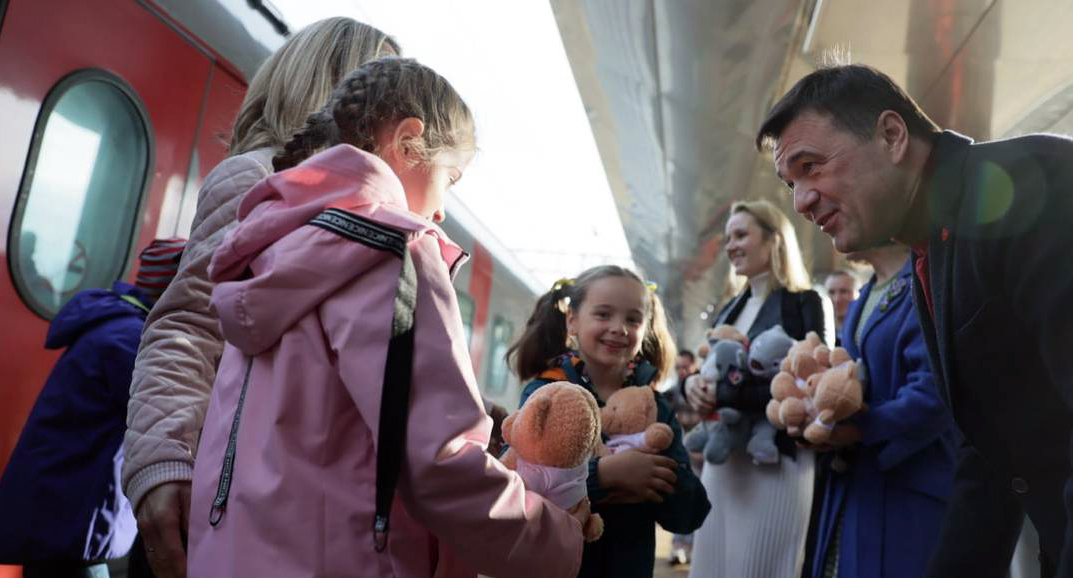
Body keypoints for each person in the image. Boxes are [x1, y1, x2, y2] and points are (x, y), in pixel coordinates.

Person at [186, 57, 585, 577]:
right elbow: (439, 465)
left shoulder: (270, 243)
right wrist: (556, 535)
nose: (441, 211)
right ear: (408, 141)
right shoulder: (394, 256)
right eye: (450, 178)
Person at [756, 62, 1073, 577]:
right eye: (791, 183)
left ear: (891, 135)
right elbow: (986, 451)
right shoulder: (933, 248)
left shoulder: (1036, 182)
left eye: (811, 166)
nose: (801, 201)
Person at [121, 18, 399, 578]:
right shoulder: (257, 178)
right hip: (222, 500)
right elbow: (190, 324)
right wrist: (164, 459)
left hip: (279, 503)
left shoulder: (352, 199)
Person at [508, 266, 710, 578]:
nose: (619, 328)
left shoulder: (656, 406)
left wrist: (657, 480)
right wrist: (604, 476)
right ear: (572, 320)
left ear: (646, 328)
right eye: (603, 314)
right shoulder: (545, 394)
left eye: (633, 319)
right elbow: (523, 488)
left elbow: (690, 515)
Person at [0, 239, 185, 578]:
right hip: (70, 513)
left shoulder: (115, 325)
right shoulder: (130, 341)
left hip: (56, 504)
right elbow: (170, 414)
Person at [685, 199, 832, 578]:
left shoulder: (805, 302)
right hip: (723, 463)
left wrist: (724, 394)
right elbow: (709, 368)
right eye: (728, 237)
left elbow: (809, 383)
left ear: (773, 240)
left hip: (774, 461)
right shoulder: (729, 309)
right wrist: (692, 385)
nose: (731, 246)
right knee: (711, 567)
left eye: (740, 235)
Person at [811, 242, 957, 578]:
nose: (815, 217)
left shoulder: (925, 277)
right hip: (858, 486)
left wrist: (859, 429)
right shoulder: (866, 294)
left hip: (908, 487)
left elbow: (933, 394)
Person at [823, 270, 858, 345]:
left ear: (857, 293)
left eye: (843, 291)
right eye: (831, 292)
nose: (837, 299)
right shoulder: (819, 332)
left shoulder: (864, 331)